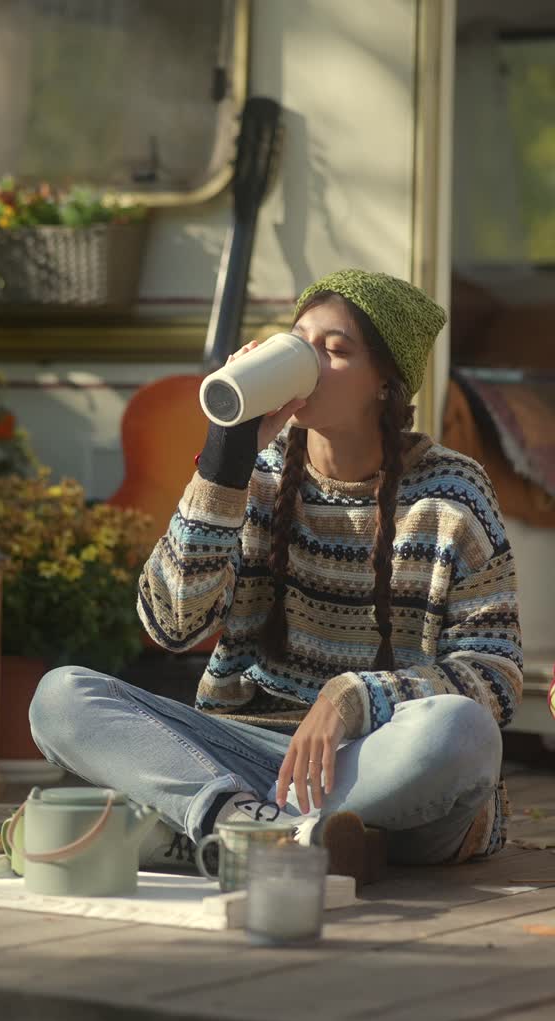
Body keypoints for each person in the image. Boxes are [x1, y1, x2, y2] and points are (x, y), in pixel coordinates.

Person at [29, 269, 523, 876]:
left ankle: (205, 829)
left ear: (384, 386)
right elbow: (172, 626)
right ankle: (260, 830)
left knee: (462, 733)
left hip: (371, 764)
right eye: (298, 339)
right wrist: (224, 458)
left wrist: (355, 697)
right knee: (60, 697)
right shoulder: (252, 471)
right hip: (243, 755)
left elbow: (494, 677)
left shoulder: (452, 493)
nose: (307, 361)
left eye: (334, 350)